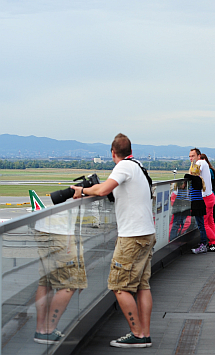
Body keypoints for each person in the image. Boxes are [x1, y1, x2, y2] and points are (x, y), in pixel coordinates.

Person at [72, 133, 155, 348]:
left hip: (132, 237)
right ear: (130, 150)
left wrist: (82, 191)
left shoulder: (123, 167)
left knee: (119, 286)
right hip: (146, 233)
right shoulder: (137, 165)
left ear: (112, 153)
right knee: (143, 286)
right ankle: (144, 333)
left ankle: (137, 334)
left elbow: (103, 189)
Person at [33, 211, 87, 345]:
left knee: (46, 281)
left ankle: (41, 329)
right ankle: (48, 330)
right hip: (60, 232)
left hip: (43, 229)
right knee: (71, 282)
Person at [189, 148, 215, 252]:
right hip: (210, 195)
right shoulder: (204, 163)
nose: (191, 158)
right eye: (190, 156)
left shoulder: (200, 162)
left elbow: (193, 173)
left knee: (205, 223)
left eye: (193, 156)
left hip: (205, 198)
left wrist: (192, 166)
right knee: (210, 221)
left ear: (198, 156)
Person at [185, 166, 208, 254]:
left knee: (201, 225)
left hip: (197, 204)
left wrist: (190, 173)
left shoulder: (195, 179)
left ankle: (203, 244)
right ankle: (203, 243)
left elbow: (186, 176)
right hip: (199, 204)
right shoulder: (198, 179)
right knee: (200, 224)